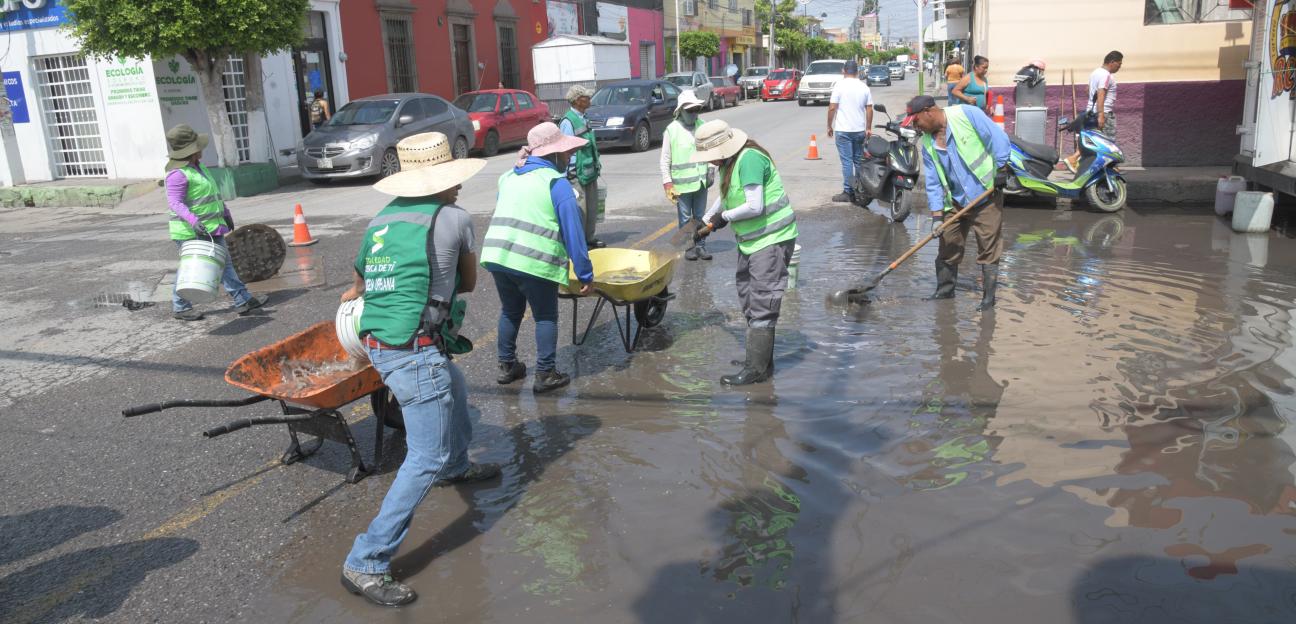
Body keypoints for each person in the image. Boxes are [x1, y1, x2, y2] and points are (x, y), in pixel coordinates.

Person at [339, 132, 497, 607]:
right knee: (422, 456)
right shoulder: (454, 219)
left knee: (456, 383)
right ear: (441, 181)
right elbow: (466, 283)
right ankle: (365, 560)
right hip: (415, 347)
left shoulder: (381, 221)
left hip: (379, 339)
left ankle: (457, 465)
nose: (458, 189)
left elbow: (358, 284)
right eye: (452, 181)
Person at [482, 122, 594, 393]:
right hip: (533, 260)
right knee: (545, 316)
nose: (568, 158)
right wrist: (585, 273)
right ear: (552, 155)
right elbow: (574, 234)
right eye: (565, 153)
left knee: (511, 310)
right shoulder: (556, 183)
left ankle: (507, 366)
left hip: (499, 256)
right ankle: (545, 373)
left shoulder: (508, 176)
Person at [692, 120, 798, 385]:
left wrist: (721, 219)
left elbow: (754, 206)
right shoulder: (731, 162)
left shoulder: (750, 158)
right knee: (748, 295)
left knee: (762, 300)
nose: (711, 162)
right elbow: (727, 195)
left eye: (711, 157)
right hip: (752, 241)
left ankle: (757, 369)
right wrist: (706, 218)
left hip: (771, 239)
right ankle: (759, 360)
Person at [903, 95, 1011, 311]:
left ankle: (988, 299)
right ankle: (945, 291)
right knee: (948, 243)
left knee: (988, 247)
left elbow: (998, 138)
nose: (916, 127)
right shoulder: (927, 143)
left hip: (985, 195)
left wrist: (1001, 168)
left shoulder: (966, 114)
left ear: (928, 112)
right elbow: (933, 182)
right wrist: (936, 216)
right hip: (955, 201)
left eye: (916, 121)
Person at [163, 124, 268, 321]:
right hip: (190, 231)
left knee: (225, 264)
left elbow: (213, 195)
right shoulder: (178, 174)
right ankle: (181, 307)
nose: (202, 149)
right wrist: (194, 222)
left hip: (211, 228)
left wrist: (226, 213)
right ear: (192, 150)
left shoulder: (199, 167)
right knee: (189, 269)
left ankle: (242, 300)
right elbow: (174, 203)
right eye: (198, 146)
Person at [660, 90, 713, 261]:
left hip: (701, 182)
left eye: (696, 109)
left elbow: (710, 151)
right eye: (690, 110)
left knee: (700, 217)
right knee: (684, 219)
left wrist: (711, 169)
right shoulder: (672, 130)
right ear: (681, 110)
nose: (693, 113)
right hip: (681, 185)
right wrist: (667, 183)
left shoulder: (702, 125)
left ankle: (701, 245)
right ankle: (688, 247)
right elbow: (665, 159)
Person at [559, 85, 605, 249]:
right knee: (581, 211)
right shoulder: (568, 121)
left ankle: (589, 238)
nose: (589, 100)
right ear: (578, 101)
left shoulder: (584, 117)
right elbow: (565, 150)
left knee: (591, 208)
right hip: (576, 175)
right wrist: (568, 177)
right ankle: (579, 243)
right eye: (586, 97)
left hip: (589, 172)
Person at [1063, 51, 1123, 173]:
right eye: (1119, 64)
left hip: (1091, 111)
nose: (1120, 67)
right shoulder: (1106, 75)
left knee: (1094, 139)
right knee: (1107, 141)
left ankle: (1074, 159)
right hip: (1103, 113)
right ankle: (1110, 167)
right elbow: (1100, 93)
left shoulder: (1095, 73)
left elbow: (1088, 90)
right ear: (1112, 62)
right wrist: (1101, 115)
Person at [827, 59, 874, 204]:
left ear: (843, 71)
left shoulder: (839, 86)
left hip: (843, 131)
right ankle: (860, 189)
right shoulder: (864, 87)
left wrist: (829, 125)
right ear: (857, 72)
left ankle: (848, 192)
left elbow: (832, 107)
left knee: (847, 162)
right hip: (859, 130)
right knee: (858, 161)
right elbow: (869, 108)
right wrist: (868, 127)